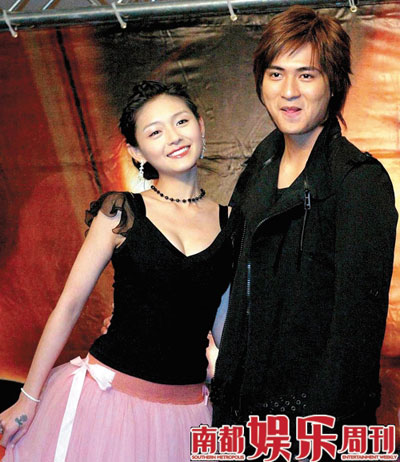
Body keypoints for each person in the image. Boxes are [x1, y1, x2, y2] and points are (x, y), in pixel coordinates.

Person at [0, 81, 236, 461]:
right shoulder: (121, 212)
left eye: (181, 121)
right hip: (108, 402)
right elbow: (69, 306)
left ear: (201, 126)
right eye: (155, 132)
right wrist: (28, 397)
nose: (174, 137)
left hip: (187, 412)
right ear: (136, 151)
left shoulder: (232, 223)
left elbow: (225, 328)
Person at [210, 5, 398, 458]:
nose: (288, 91)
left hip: (313, 426)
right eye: (275, 74)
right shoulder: (258, 168)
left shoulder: (359, 181)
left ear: (334, 84)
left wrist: (318, 433)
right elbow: (230, 282)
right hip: (239, 414)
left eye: (306, 75)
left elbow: (355, 334)